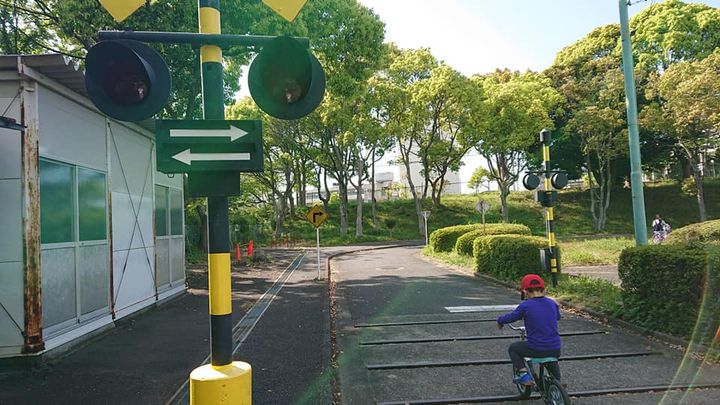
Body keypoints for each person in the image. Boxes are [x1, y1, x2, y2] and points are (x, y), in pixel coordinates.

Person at [497, 274, 562, 385]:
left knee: (514, 348)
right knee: (550, 355)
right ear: (544, 290)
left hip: (536, 348)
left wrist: (500, 321)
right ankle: (557, 383)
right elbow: (557, 317)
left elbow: (512, 317)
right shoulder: (552, 303)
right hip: (556, 348)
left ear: (525, 291)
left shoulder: (526, 305)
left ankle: (523, 375)